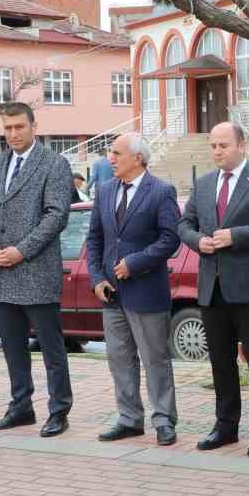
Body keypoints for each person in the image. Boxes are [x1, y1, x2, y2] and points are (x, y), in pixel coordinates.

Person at [179, 120, 249, 455]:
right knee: (221, 363)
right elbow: (184, 224)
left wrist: (237, 236)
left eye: (223, 145)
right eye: (213, 145)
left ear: (242, 145)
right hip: (212, 288)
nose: (217, 151)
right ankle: (225, 427)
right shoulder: (203, 184)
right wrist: (199, 242)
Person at [0, 102, 75, 436]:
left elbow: (56, 216)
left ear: (34, 126)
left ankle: (59, 410)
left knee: (50, 348)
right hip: (2, 272)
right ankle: (21, 407)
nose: (13, 134)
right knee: (12, 346)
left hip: (35, 270)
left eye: (19, 127)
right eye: (7, 128)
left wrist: (21, 251)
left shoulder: (54, 163)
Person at [87, 133, 182, 446]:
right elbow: (96, 239)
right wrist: (97, 278)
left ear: (138, 158)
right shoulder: (104, 191)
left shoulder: (162, 191)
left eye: (116, 153)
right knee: (119, 358)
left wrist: (135, 263)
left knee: (155, 359)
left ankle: (164, 421)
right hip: (112, 293)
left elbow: (170, 239)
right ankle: (129, 419)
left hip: (147, 292)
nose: (110, 158)